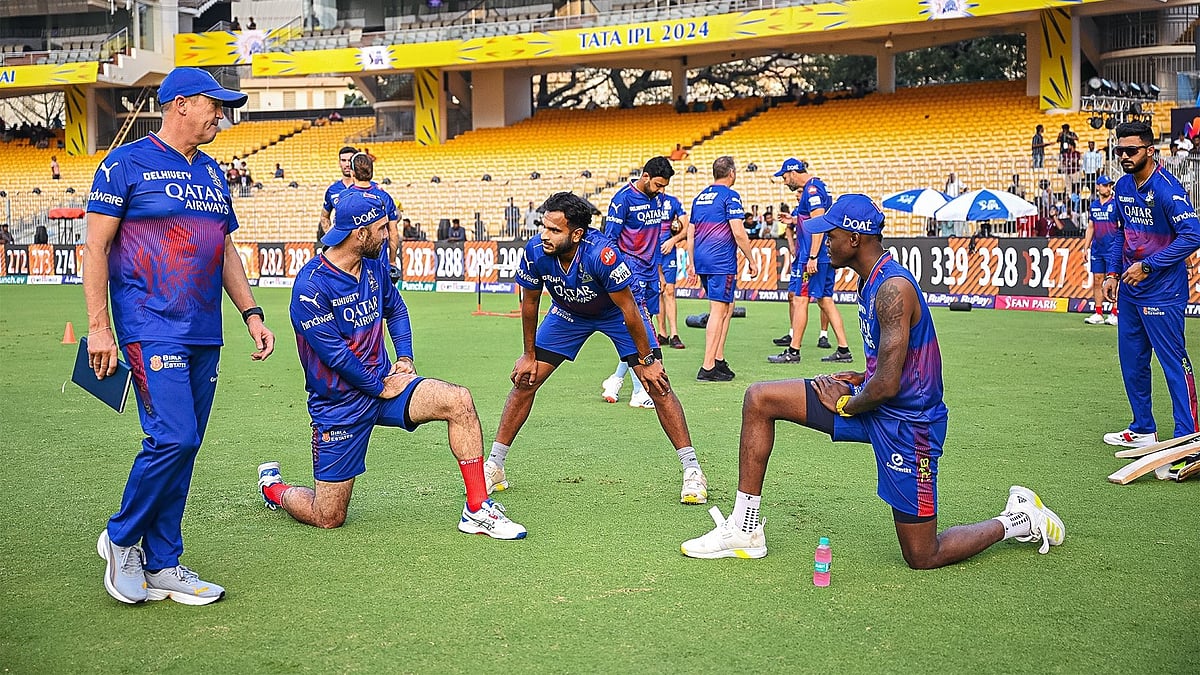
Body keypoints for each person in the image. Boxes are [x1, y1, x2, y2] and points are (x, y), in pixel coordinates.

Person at [680, 194, 1065, 565]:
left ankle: (1018, 519)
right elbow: (890, 367)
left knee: (922, 555)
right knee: (760, 398)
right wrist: (859, 376)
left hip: (910, 424)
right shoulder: (871, 280)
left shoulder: (892, 288)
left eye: (830, 236)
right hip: (875, 400)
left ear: (854, 239)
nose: (824, 243)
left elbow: (889, 385)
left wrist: (846, 401)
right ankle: (746, 529)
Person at [84, 67, 275, 605]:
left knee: (185, 447)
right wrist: (99, 328)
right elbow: (94, 248)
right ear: (180, 105)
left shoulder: (214, 173)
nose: (222, 114)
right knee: (175, 437)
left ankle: (164, 561)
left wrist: (251, 313)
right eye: (215, 104)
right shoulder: (125, 164)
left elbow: (226, 251)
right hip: (149, 325)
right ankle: (121, 538)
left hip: (203, 331)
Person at [256, 189, 525, 539]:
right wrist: (381, 385)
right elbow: (335, 355)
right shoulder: (311, 286)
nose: (389, 235)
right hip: (340, 404)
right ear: (360, 232)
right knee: (328, 516)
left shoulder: (374, 268)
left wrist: (405, 359)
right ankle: (273, 488)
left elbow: (395, 309)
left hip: (387, 385)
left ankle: (477, 509)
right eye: (383, 228)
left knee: (458, 400)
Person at [485, 192, 709, 505]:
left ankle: (692, 470)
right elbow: (531, 302)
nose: (544, 235)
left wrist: (648, 360)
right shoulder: (536, 250)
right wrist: (528, 355)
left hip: (616, 315)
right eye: (543, 227)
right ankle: (495, 465)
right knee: (527, 380)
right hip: (567, 315)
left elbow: (630, 309)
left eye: (554, 230)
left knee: (657, 384)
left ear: (576, 234)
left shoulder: (601, 254)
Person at [1101, 121, 1200, 449]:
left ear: (1150, 150)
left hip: (1163, 291)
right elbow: (1121, 232)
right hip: (1130, 290)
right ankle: (1142, 428)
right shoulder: (1122, 187)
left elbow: (1193, 235)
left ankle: (1188, 437)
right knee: (1132, 362)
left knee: (1174, 363)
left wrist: (1148, 266)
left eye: (1131, 150)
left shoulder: (1168, 189)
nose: (1125, 156)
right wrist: (1112, 274)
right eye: (1120, 151)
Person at [598, 156, 673, 408]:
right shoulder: (622, 200)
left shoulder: (658, 199)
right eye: (658, 185)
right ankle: (640, 392)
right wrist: (617, 273)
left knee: (639, 330)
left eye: (664, 186)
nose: (661, 191)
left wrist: (659, 272)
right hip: (631, 272)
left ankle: (616, 379)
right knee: (639, 329)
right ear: (645, 177)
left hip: (651, 270)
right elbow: (609, 241)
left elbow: (655, 237)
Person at [769, 159, 852, 365]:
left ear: (794, 172)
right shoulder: (816, 187)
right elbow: (813, 218)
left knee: (800, 299)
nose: (785, 181)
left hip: (813, 256)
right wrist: (795, 220)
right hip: (824, 255)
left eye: (785, 176)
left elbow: (819, 222)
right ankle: (843, 349)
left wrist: (813, 256)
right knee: (825, 300)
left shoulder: (812, 189)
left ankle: (793, 351)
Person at [688, 156, 757, 381]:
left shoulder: (700, 197)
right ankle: (707, 367)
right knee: (718, 310)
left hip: (703, 259)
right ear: (732, 173)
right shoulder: (730, 196)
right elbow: (738, 232)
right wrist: (751, 259)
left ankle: (718, 359)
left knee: (727, 306)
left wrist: (691, 261)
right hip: (721, 260)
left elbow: (691, 231)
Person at [343, 152, 400, 266]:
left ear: (352, 173)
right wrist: (392, 261)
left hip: (352, 264)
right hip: (378, 263)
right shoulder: (385, 197)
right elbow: (393, 233)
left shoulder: (344, 197)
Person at [1082, 176, 1119, 326]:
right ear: (1098, 187)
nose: (1108, 188)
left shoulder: (1115, 204)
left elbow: (1120, 226)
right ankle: (1098, 313)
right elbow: (1091, 227)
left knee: (1113, 281)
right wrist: (1086, 247)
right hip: (1097, 249)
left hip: (1112, 249)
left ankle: (1114, 313)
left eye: (1109, 185)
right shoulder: (1094, 205)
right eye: (1105, 185)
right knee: (1097, 280)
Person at [656, 191, 689, 350]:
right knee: (657, 291)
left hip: (668, 253)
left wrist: (673, 240)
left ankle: (674, 334)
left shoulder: (672, 201)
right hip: (650, 253)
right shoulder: (644, 202)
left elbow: (685, 227)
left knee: (669, 290)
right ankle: (662, 333)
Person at [318, 145, 357, 246]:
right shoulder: (332, 190)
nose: (347, 164)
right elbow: (324, 216)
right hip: (342, 244)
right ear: (339, 163)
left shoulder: (366, 186)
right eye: (343, 160)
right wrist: (330, 235)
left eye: (350, 160)